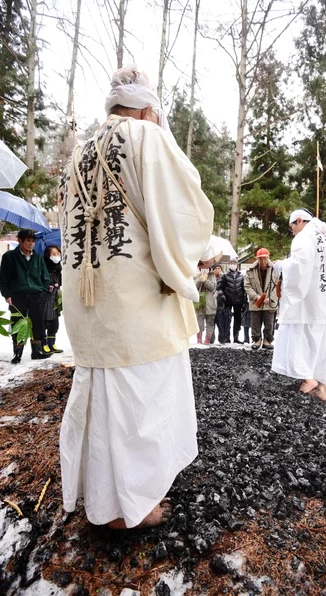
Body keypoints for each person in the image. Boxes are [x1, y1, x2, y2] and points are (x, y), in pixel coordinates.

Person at [58, 63, 214, 530]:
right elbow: (181, 210)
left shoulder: (78, 155)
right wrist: (185, 267)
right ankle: (133, 505)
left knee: (102, 397)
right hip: (137, 298)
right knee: (140, 400)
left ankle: (102, 502)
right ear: (149, 109)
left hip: (89, 296)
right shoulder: (146, 138)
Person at [271, 209, 326, 402]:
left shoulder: (305, 237)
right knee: (325, 344)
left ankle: (308, 378)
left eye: (292, 227)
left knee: (302, 340)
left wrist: (281, 265)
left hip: (309, 303)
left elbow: (299, 266)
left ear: (298, 221)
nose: (293, 232)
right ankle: (323, 387)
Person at [0, 229, 50, 363]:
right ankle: (17, 354)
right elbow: (3, 279)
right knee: (18, 323)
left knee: (38, 323)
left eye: (33, 241)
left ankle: (37, 351)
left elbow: (45, 277)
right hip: (17, 295)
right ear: (19, 241)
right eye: (28, 240)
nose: (31, 244)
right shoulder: (9, 257)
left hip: (36, 295)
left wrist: (42, 292)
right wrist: (7, 294)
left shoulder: (38, 257)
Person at [244, 247, 279, 350]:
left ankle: (267, 340)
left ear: (268, 257)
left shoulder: (275, 269)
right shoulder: (250, 270)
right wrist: (257, 297)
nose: (263, 260)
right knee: (255, 322)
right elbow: (247, 286)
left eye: (265, 258)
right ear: (257, 258)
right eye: (260, 258)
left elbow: (279, 285)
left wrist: (271, 297)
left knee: (270, 323)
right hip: (255, 302)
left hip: (270, 302)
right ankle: (257, 340)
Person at [217, 257, 245, 343]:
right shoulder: (225, 275)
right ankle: (227, 337)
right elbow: (219, 287)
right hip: (227, 301)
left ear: (237, 264)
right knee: (227, 319)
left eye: (234, 263)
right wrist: (222, 295)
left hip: (238, 301)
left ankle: (236, 337)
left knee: (237, 320)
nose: (233, 264)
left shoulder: (241, 276)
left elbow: (244, 289)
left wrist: (244, 302)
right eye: (231, 263)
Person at [43, 245, 64, 354]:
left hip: (55, 297)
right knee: (44, 320)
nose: (56, 256)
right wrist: (48, 286)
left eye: (58, 254)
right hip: (45, 297)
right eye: (54, 254)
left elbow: (60, 281)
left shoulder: (59, 267)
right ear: (48, 255)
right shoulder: (43, 265)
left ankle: (52, 343)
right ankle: (44, 344)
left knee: (54, 322)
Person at [194, 266, 217, 345]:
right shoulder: (196, 274)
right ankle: (199, 340)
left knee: (210, 322)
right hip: (200, 303)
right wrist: (200, 280)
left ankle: (207, 340)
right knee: (199, 322)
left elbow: (213, 287)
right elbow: (193, 287)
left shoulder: (212, 275)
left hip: (210, 303)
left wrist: (206, 280)